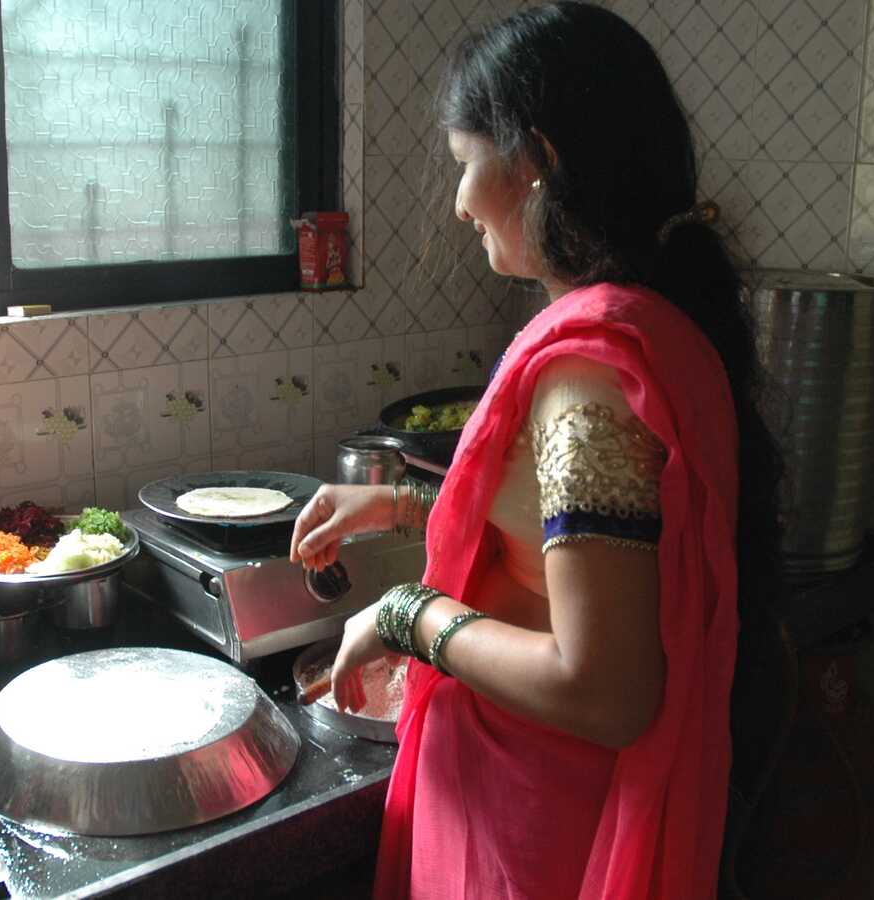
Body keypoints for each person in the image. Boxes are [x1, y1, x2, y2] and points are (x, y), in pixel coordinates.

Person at [287, 3, 783, 899]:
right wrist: (399, 504)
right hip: (540, 802)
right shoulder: (652, 326)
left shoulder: (590, 377)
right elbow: (587, 554)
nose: (460, 201)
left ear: (538, 161)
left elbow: (605, 688)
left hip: (540, 830)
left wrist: (406, 617)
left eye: (466, 163)